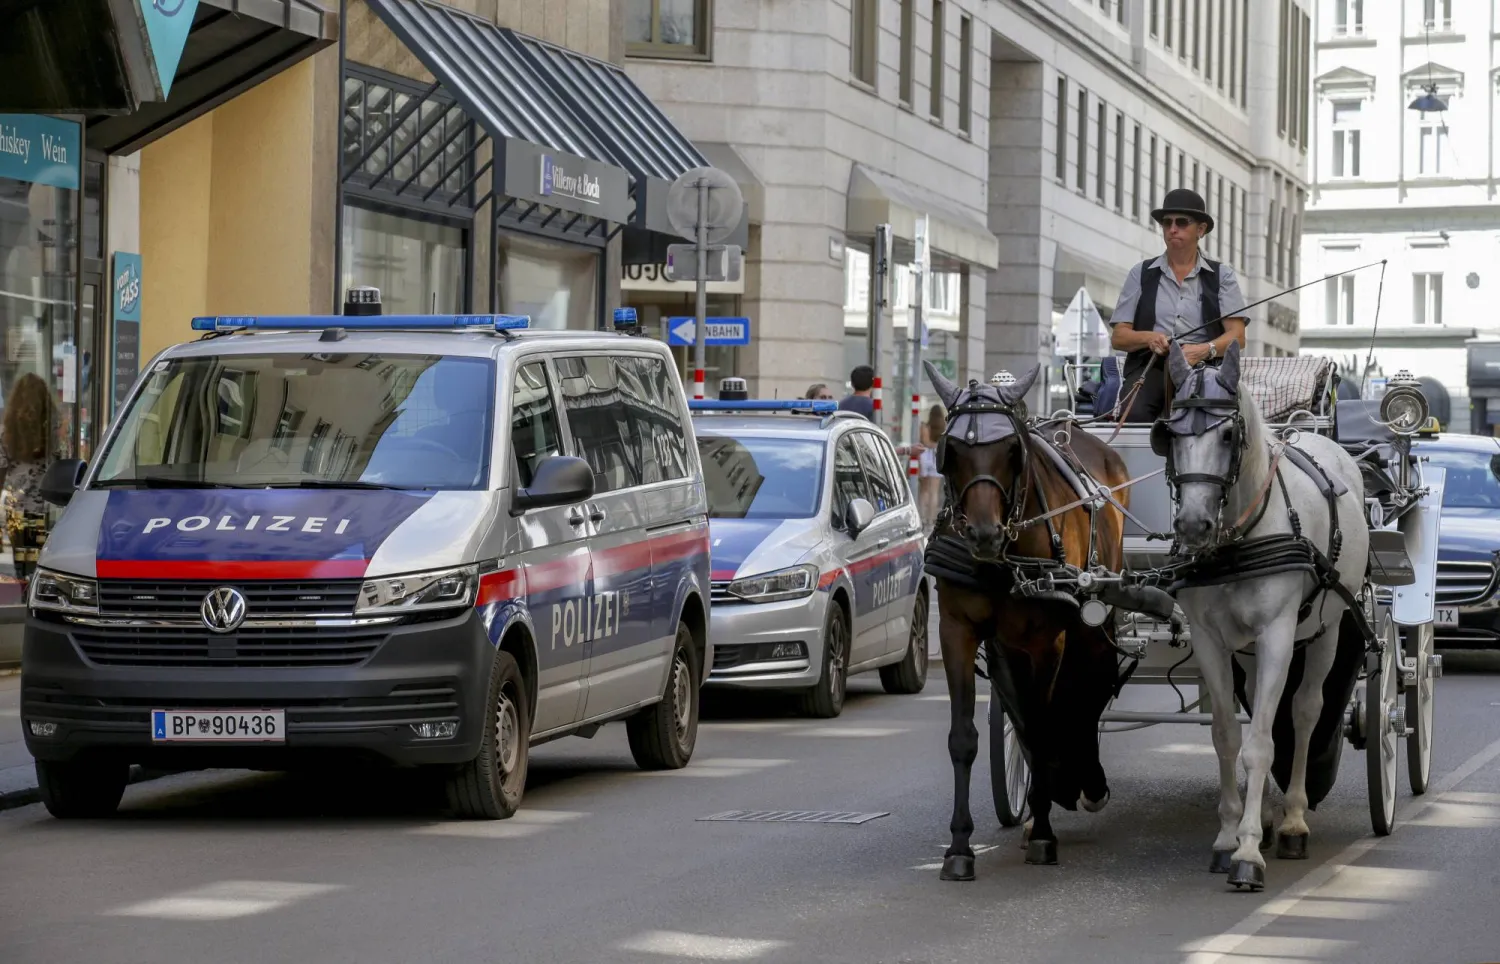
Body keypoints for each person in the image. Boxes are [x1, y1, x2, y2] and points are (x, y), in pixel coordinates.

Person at [1109, 188, 1250, 422]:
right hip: (1151, 367)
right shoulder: (1141, 273)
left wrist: (1204, 350)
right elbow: (1119, 337)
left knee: (1211, 422)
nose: (1172, 229)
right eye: (1167, 223)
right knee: (1132, 414)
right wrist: (1149, 338)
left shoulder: (1221, 276)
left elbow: (1238, 336)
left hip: (1205, 370)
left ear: (1201, 230)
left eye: (1182, 222)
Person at [0, 373, 61, 581]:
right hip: (47, 509)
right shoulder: (53, 434)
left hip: (17, 511)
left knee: (22, 568)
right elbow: (61, 464)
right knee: (43, 568)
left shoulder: (6, 435)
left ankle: (25, 596)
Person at [918, 403, 945, 531]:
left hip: (925, 457)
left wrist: (930, 444)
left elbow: (925, 442)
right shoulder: (943, 427)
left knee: (924, 491)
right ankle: (931, 520)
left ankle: (922, 518)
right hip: (936, 458)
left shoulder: (925, 426)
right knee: (934, 491)